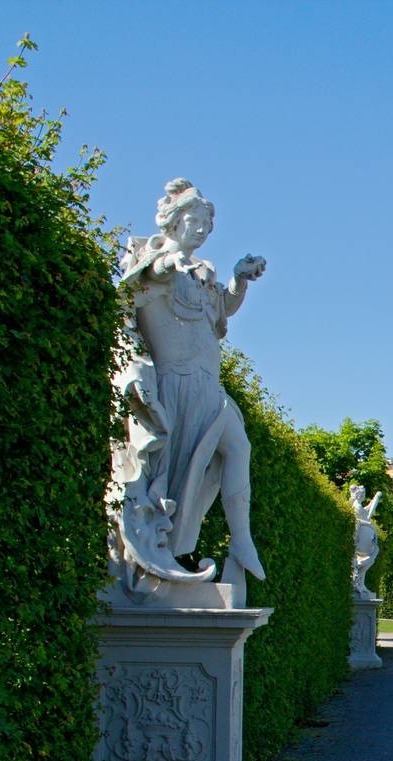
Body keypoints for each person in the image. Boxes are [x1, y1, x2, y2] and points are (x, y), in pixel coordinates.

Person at [115, 177, 267, 596]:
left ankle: (242, 540)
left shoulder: (203, 276)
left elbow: (222, 311)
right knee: (175, 478)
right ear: (175, 220)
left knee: (239, 449)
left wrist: (239, 281)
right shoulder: (153, 259)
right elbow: (133, 288)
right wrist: (164, 260)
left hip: (208, 387)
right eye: (195, 221)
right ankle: (159, 558)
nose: (201, 230)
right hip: (175, 385)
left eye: (206, 224)